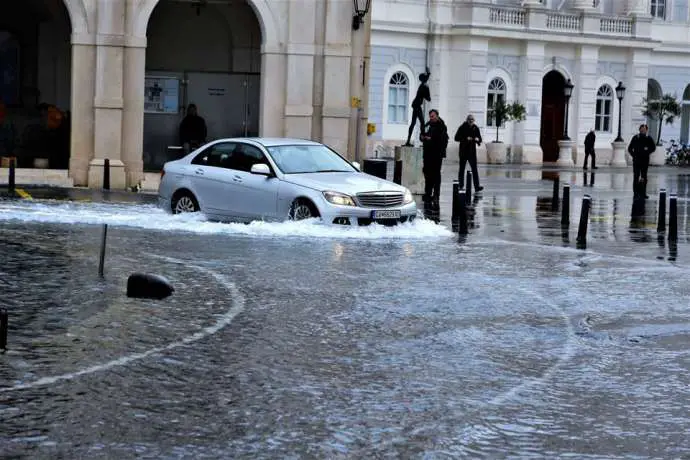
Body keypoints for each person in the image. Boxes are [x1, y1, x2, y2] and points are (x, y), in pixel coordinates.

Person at [420, 109, 449, 206]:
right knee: (427, 173)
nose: (431, 118)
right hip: (427, 154)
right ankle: (428, 193)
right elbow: (422, 134)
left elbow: (443, 140)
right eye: (430, 116)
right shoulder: (428, 124)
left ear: (437, 116)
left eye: (432, 116)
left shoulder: (442, 126)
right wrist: (423, 137)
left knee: (436, 175)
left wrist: (431, 139)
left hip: (436, 155)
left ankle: (436, 195)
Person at [454, 114, 484, 192]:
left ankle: (477, 186)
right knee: (462, 169)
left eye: (472, 120)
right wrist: (465, 138)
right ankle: (461, 185)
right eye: (469, 120)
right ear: (467, 120)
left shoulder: (475, 128)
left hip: (472, 152)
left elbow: (480, 139)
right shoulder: (462, 127)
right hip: (463, 151)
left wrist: (478, 139)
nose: (471, 121)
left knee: (474, 169)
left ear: (474, 121)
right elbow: (456, 138)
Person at [627, 123, 656, 200]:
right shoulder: (635, 138)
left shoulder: (649, 138)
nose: (643, 131)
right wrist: (634, 155)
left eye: (644, 129)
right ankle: (635, 193)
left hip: (645, 160)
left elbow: (653, 147)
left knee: (644, 177)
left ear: (646, 130)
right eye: (642, 129)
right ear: (639, 130)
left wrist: (647, 151)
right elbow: (629, 148)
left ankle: (643, 193)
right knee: (636, 176)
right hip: (636, 161)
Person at [404, 67, 431, 146]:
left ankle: (409, 140)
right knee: (420, 122)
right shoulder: (424, 87)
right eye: (426, 78)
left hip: (416, 105)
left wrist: (428, 72)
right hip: (417, 106)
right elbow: (428, 98)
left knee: (414, 123)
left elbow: (427, 76)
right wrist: (427, 94)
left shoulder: (422, 84)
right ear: (424, 79)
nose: (427, 79)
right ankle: (422, 140)